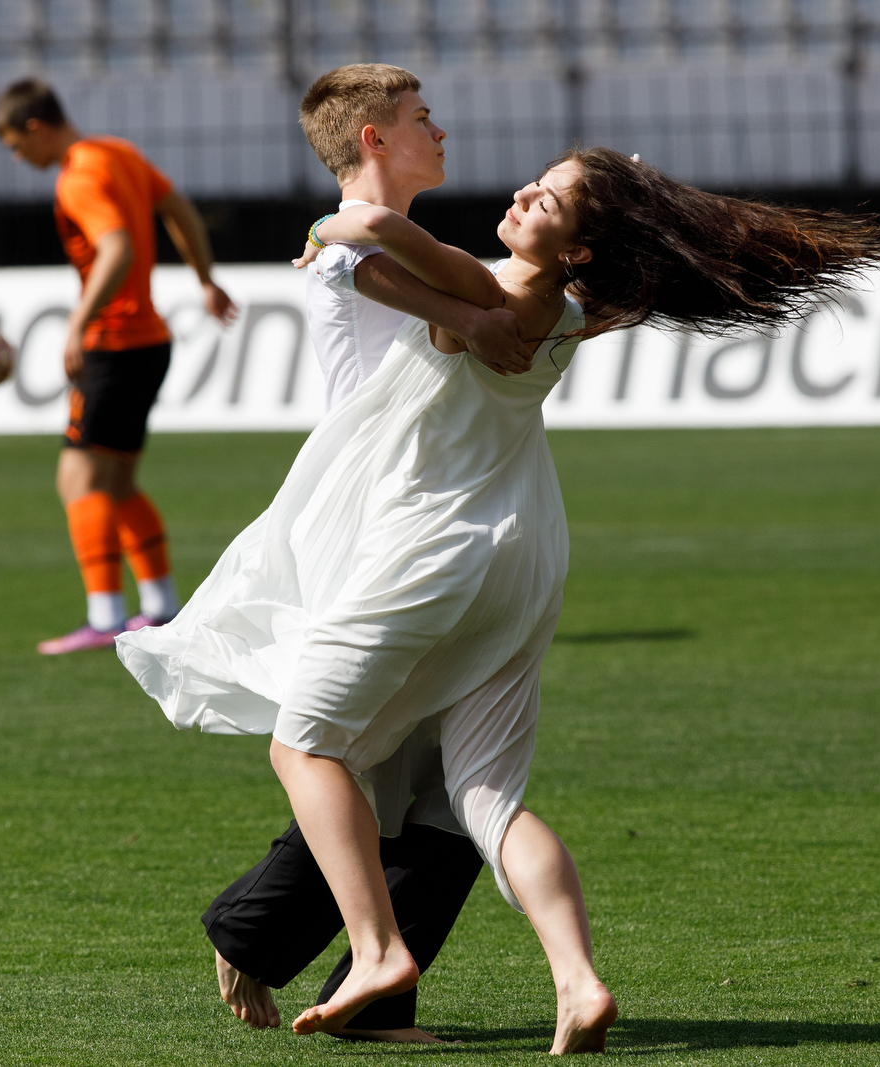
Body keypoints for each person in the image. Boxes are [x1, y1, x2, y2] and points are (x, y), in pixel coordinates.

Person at [118, 148, 880, 1053]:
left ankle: (377, 951)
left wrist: (320, 228)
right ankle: (577, 979)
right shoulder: (569, 307)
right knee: (482, 801)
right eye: (542, 179)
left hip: (433, 553)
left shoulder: (507, 290)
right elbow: (414, 277)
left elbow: (369, 228)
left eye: (554, 198)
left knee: (305, 745)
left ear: (579, 246)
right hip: (520, 563)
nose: (526, 191)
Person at [201, 64, 535, 1044]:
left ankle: (370, 992)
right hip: (381, 532)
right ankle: (260, 932)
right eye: (422, 117)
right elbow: (343, 254)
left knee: (439, 783)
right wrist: (478, 317)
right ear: (376, 140)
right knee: (376, 762)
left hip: (436, 522)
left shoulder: (412, 244)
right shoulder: (344, 239)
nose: (441, 129)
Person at [0, 78, 238, 655]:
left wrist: (78, 323)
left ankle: (104, 617)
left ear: (34, 126)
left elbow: (118, 247)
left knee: (77, 479)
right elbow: (177, 208)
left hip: (114, 346)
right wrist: (204, 278)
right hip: (150, 341)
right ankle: (161, 606)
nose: (15, 156)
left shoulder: (78, 174)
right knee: (120, 482)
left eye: (12, 144)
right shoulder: (120, 154)